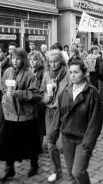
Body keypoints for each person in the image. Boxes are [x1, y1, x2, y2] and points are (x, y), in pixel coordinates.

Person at [49, 60, 103, 184]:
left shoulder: (92, 93)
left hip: (83, 140)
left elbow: (96, 122)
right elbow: (59, 114)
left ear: (84, 73)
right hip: (67, 138)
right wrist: (53, 134)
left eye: (76, 72)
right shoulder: (66, 91)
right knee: (70, 173)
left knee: (78, 172)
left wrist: (88, 143)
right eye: (71, 72)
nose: (73, 75)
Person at [0, 48, 41, 181]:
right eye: (13, 58)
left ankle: (34, 165)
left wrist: (19, 93)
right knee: (8, 142)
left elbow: (35, 94)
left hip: (26, 116)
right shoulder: (7, 71)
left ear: (23, 60)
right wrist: (6, 93)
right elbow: (2, 86)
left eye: (18, 58)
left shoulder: (29, 74)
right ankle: (9, 169)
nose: (15, 61)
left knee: (30, 143)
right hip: (10, 115)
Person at [41, 50, 70, 182]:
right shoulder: (47, 75)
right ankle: (56, 171)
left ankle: (73, 169)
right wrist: (45, 98)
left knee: (66, 144)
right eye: (50, 62)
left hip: (64, 112)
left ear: (61, 61)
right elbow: (41, 92)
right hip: (50, 111)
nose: (53, 64)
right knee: (51, 143)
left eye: (56, 61)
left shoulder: (68, 74)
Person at [29, 50, 46, 153]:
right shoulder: (28, 70)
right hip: (30, 101)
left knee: (39, 124)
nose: (32, 62)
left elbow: (43, 87)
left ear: (39, 61)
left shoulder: (43, 72)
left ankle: (38, 145)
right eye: (30, 60)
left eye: (34, 60)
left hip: (39, 102)